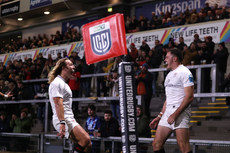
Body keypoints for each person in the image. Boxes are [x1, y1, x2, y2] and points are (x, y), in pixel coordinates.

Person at [149, 48, 194, 153]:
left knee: (183, 146)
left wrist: (175, 114)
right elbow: (168, 99)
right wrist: (160, 116)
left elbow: (190, 97)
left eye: (167, 57)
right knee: (156, 144)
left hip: (180, 113)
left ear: (175, 58)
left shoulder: (185, 72)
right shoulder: (169, 74)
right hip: (167, 113)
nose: (165, 60)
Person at [48, 58, 91, 153]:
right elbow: (58, 104)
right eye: (71, 65)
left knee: (88, 144)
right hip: (63, 118)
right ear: (64, 68)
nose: (73, 66)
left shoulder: (63, 83)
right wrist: (62, 123)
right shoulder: (56, 83)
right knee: (85, 139)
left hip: (68, 117)